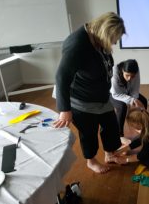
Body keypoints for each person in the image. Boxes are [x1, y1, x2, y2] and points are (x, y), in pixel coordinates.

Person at [53, 12, 125, 173]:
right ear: (105, 32)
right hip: (81, 99)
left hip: (100, 96)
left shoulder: (98, 39)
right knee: (89, 132)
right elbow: (61, 77)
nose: (114, 43)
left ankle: (110, 154)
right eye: (113, 39)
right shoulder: (77, 44)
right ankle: (91, 161)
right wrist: (65, 110)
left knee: (111, 126)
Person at [110, 59, 147, 143]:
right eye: (127, 75)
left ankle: (142, 127)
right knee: (122, 107)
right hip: (113, 94)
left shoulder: (136, 71)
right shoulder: (114, 71)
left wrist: (134, 100)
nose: (129, 78)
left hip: (127, 92)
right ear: (123, 70)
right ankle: (120, 135)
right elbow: (115, 93)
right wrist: (131, 100)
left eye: (132, 76)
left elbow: (135, 90)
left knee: (143, 101)